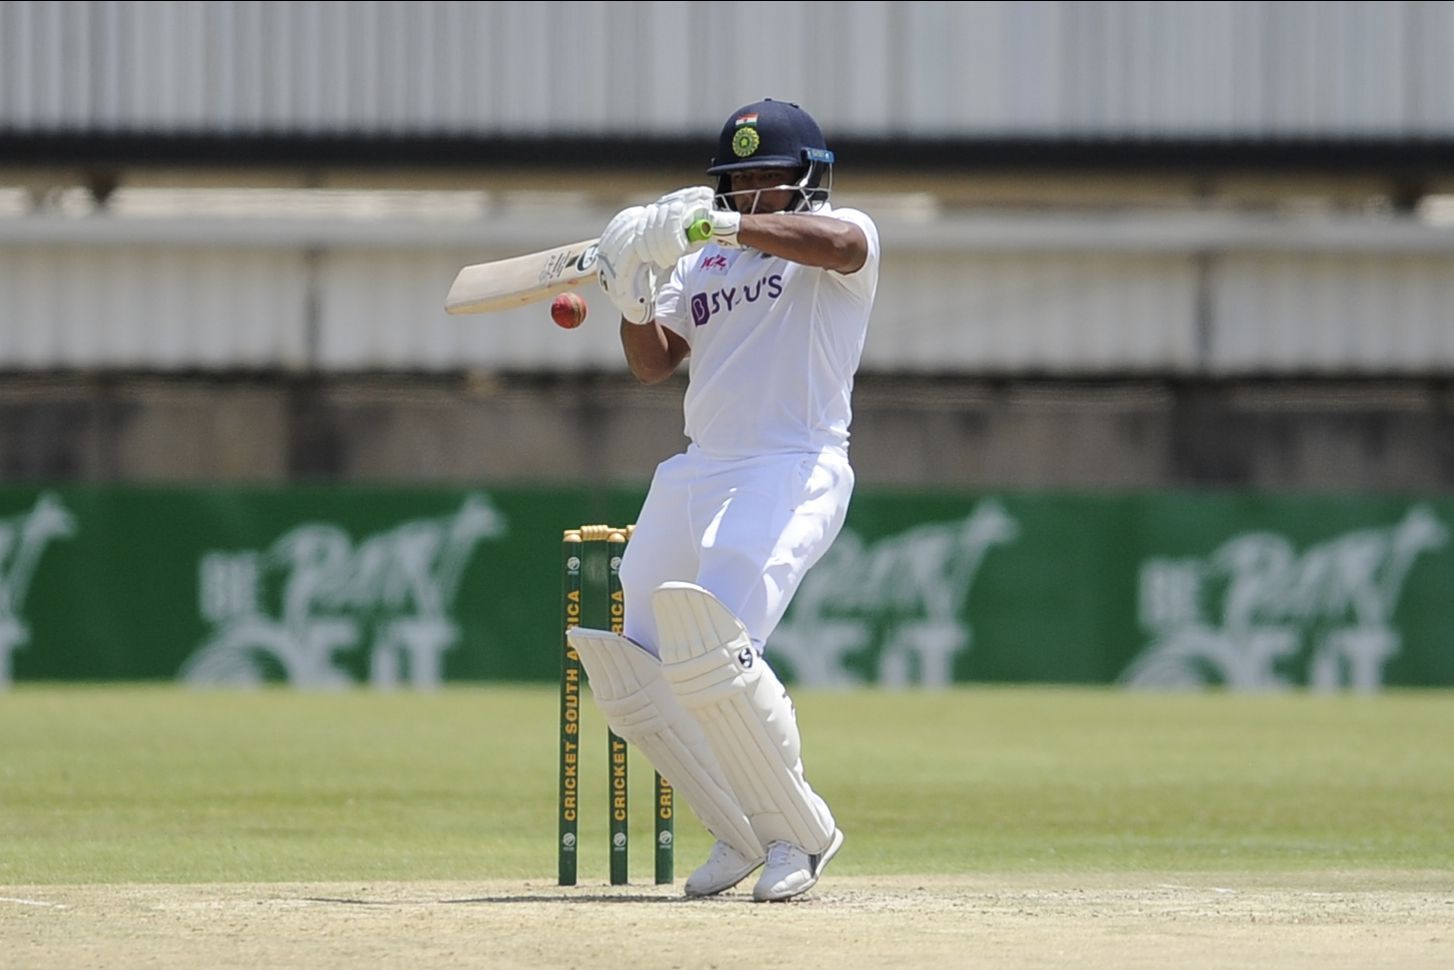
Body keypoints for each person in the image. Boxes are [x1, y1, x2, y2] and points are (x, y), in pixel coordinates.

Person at [566, 98, 879, 902]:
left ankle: (798, 835)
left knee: (715, 647)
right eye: (740, 182)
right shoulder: (700, 263)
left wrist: (722, 227)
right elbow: (653, 362)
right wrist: (630, 287)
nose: (755, 192)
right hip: (699, 468)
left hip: (790, 465)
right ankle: (738, 831)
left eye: (772, 177)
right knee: (635, 669)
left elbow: (839, 247)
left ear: (809, 178)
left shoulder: (842, 236)